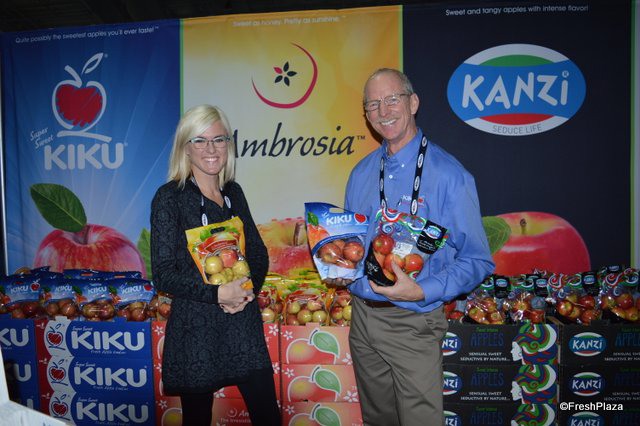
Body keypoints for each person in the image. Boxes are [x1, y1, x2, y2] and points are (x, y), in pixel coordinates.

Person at [344, 68, 495, 425]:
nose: (383, 111)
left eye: (392, 99)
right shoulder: (361, 173)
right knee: (378, 420)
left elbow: (477, 260)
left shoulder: (450, 176)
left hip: (412, 323)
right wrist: (336, 258)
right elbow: (354, 246)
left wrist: (423, 290)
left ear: (413, 103)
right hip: (362, 318)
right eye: (373, 104)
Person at [150, 104, 280, 426]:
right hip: (197, 331)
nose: (211, 149)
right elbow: (163, 274)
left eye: (219, 139)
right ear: (185, 148)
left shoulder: (234, 192)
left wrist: (245, 291)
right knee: (197, 419)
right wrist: (218, 294)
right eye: (200, 140)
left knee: (268, 416)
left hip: (242, 325)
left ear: (228, 145)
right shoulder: (169, 198)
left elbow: (258, 254)